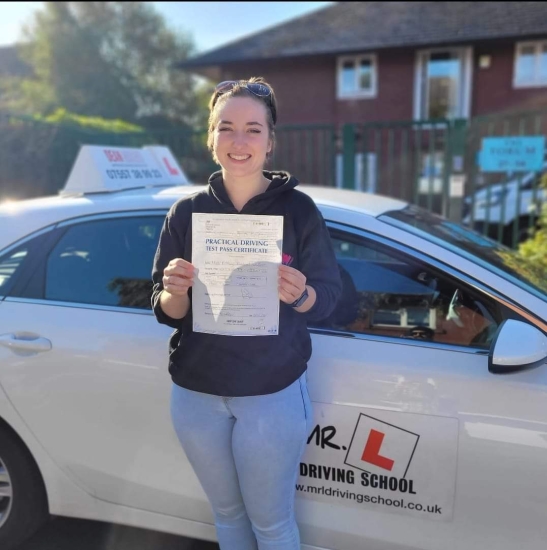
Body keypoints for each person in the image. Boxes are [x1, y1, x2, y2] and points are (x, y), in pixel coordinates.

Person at [151, 77, 342, 550]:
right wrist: (175, 291)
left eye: (253, 129)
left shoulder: (299, 211)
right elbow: (166, 309)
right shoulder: (186, 213)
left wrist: (302, 295)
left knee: (272, 524)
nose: (240, 141)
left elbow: (330, 295)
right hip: (196, 396)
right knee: (227, 515)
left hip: (270, 395)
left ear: (270, 141)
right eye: (227, 127)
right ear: (211, 138)